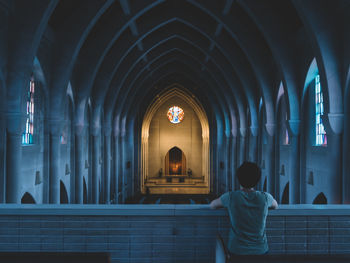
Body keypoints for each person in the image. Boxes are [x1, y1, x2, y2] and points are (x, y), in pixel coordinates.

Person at [210, 161, 278, 255]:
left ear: (239, 178)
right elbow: (275, 205)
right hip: (260, 250)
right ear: (257, 179)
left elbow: (212, 205)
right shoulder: (265, 197)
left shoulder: (231, 197)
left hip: (237, 250)